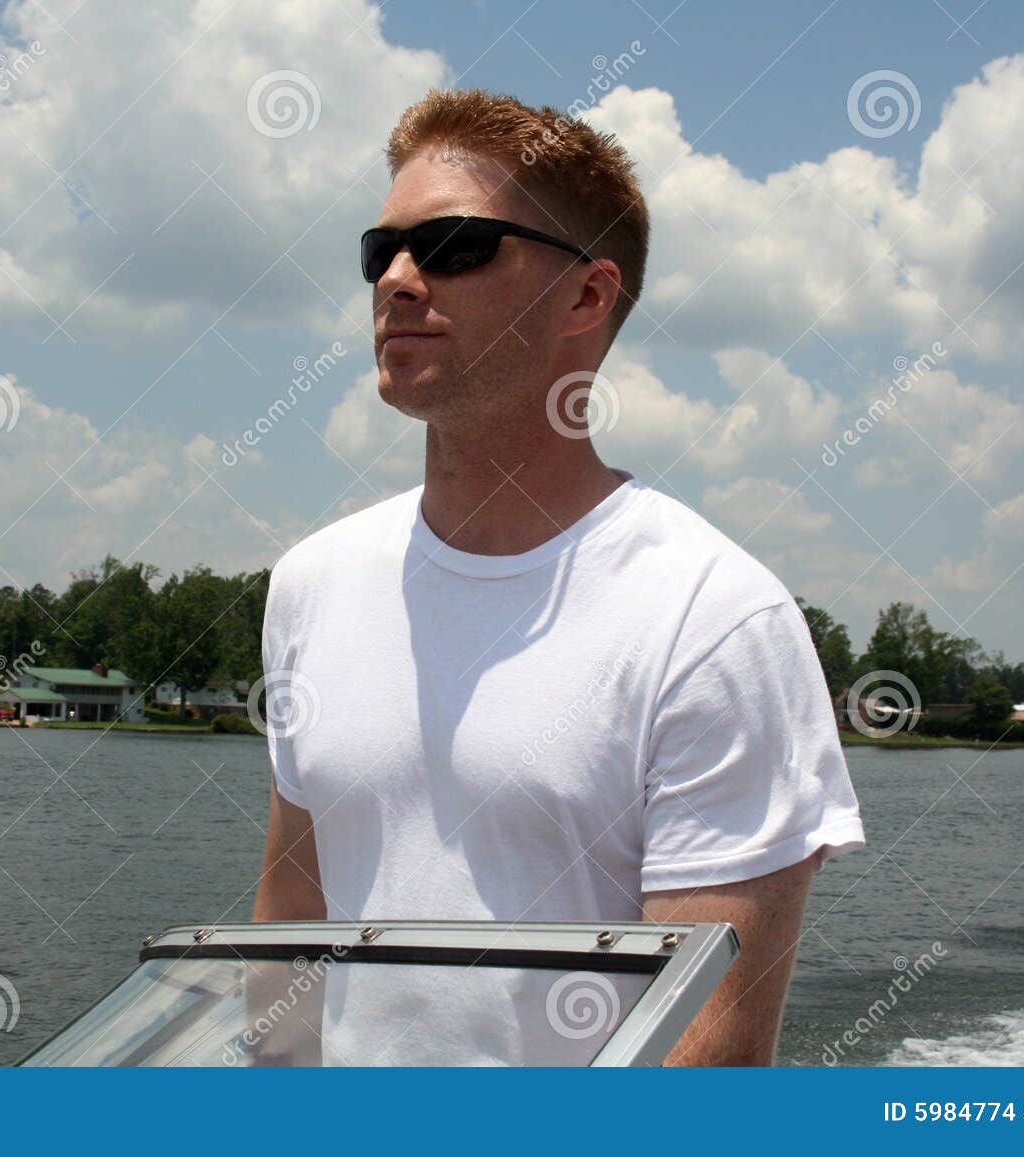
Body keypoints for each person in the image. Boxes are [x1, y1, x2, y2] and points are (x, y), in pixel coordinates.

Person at [252, 88, 865, 1065]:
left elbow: (707, 1051)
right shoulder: (310, 584)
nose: (399, 279)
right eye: (382, 250)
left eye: (454, 245)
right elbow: (292, 916)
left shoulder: (713, 619)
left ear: (585, 296)